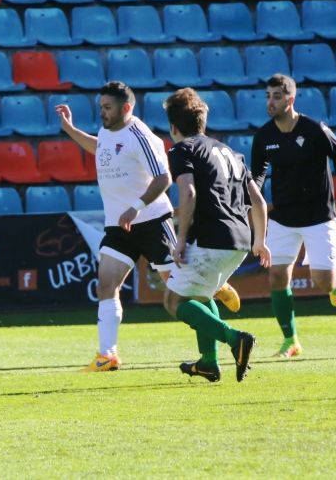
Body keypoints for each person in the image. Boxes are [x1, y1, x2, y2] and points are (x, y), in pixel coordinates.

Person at [56, 81, 240, 372]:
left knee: (182, 290)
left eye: (108, 107)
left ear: (126, 108)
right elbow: (100, 147)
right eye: (101, 107)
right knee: (106, 284)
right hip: (119, 225)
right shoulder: (106, 132)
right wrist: (71, 130)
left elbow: (163, 178)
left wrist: (136, 206)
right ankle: (108, 355)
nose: (102, 112)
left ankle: (216, 293)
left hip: (152, 221)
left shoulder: (140, 135)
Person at [163, 88, 271, 383]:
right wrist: (260, 241)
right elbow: (259, 201)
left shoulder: (182, 150)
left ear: (174, 127)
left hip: (211, 236)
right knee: (201, 294)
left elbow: (188, 191)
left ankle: (235, 339)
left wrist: (181, 238)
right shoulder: (231, 152)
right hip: (240, 240)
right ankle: (209, 362)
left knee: (174, 302)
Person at [251, 74, 336, 359]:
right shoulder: (264, 136)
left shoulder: (314, 129)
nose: (270, 102)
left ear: (290, 99)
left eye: (276, 96)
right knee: (277, 275)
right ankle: (291, 341)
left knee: (321, 281)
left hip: (319, 216)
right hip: (283, 217)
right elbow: (257, 173)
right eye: (267, 96)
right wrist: (255, 196)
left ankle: (335, 278)